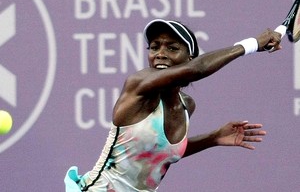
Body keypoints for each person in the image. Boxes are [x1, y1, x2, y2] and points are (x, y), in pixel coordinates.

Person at [65, 19, 282, 192]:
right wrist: (251, 44)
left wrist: (213, 138)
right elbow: (196, 70)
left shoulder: (187, 105)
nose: (160, 53)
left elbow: (158, 151)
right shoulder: (139, 85)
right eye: (154, 47)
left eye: (172, 48)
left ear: (190, 57)